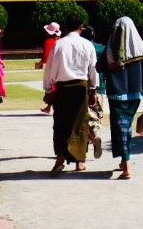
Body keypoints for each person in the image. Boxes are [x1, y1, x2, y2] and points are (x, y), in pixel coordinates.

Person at [41, 14, 98, 175]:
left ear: (65, 28)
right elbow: (93, 69)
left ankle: (60, 157)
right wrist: (93, 90)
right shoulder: (87, 45)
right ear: (80, 27)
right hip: (81, 87)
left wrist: (48, 90)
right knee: (80, 123)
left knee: (60, 123)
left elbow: (49, 69)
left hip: (62, 88)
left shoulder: (58, 45)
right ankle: (80, 162)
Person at [104, 16, 143, 180]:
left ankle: (125, 164)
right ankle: (124, 160)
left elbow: (99, 66)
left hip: (116, 94)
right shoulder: (140, 49)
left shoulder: (110, 47)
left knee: (121, 129)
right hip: (135, 95)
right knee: (126, 128)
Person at [80, 25, 106, 158]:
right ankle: (95, 136)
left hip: (82, 86)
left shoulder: (80, 48)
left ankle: (84, 145)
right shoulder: (102, 49)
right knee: (96, 115)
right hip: (99, 87)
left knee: (82, 117)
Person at [37, 22, 60, 114]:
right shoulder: (59, 41)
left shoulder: (48, 42)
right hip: (59, 67)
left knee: (50, 88)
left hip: (50, 68)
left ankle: (49, 107)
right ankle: (49, 107)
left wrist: (39, 64)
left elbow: (45, 57)